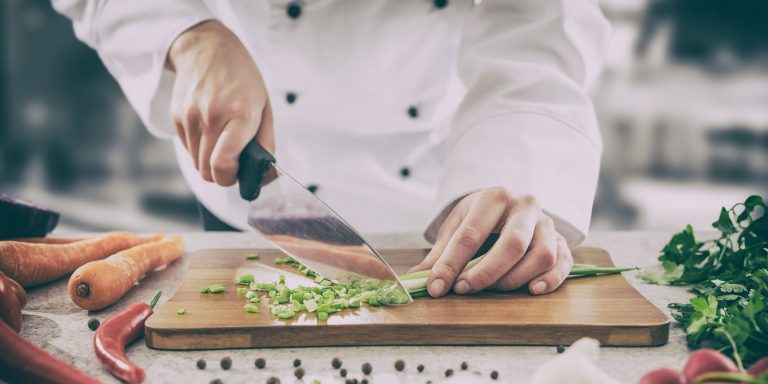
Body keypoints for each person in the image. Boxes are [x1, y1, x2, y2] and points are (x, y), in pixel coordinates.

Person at [53, 1, 610, 298]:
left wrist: (513, 169)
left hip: (450, 198)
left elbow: (542, 25)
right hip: (248, 177)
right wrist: (187, 35)